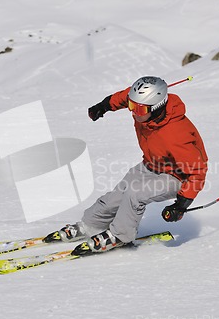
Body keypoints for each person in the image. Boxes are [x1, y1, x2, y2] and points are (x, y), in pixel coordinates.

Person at [52, 76, 208, 253]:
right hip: (151, 164)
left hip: (177, 177)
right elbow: (124, 97)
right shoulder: (143, 107)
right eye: (132, 106)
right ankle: (90, 226)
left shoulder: (176, 134)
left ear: (156, 107)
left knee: (135, 194)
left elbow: (198, 172)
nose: (134, 112)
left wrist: (181, 204)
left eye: (138, 109)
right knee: (117, 196)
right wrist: (103, 106)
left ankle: (120, 236)